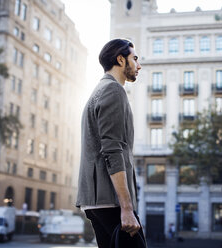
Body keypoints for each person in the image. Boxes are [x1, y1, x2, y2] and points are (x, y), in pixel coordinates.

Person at [76, 39, 144, 248]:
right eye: (135, 59)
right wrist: (126, 207)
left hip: (96, 199)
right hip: (110, 200)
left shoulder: (98, 90)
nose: (138, 65)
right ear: (121, 59)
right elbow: (112, 149)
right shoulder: (114, 91)